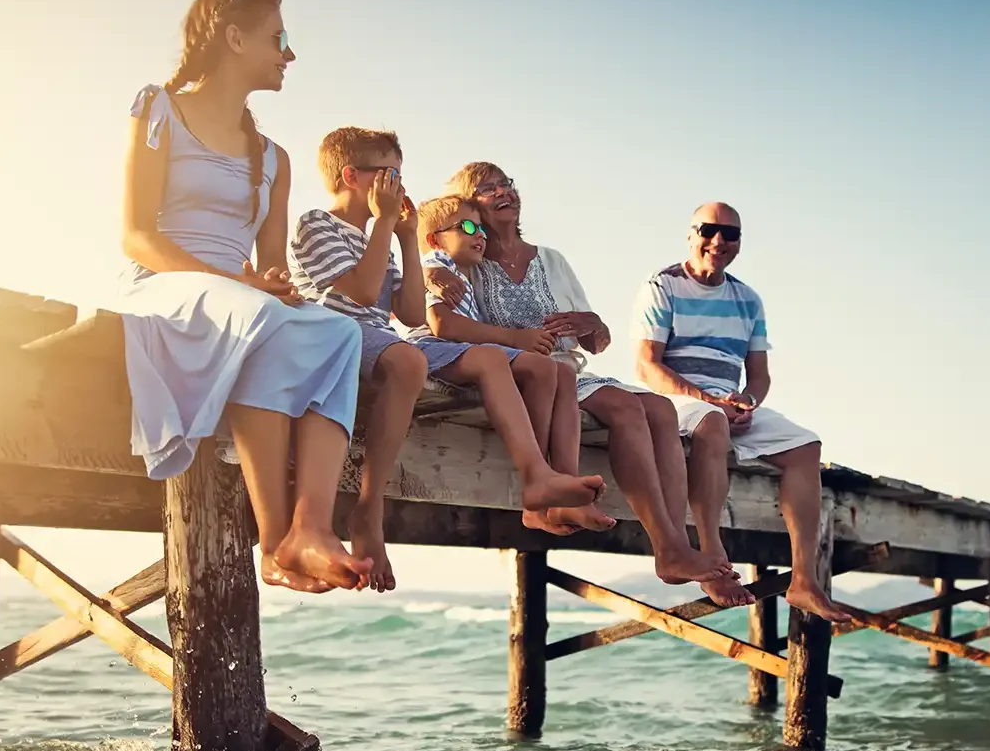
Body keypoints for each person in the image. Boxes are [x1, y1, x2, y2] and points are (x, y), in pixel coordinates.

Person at [118, 0, 370, 596]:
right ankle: (276, 536)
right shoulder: (159, 110)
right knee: (258, 313)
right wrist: (237, 282)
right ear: (234, 38)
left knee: (340, 334)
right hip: (164, 285)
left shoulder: (274, 158)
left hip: (242, 298)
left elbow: (271, 266)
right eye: (278, 39)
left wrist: (271, 283)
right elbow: (136, 236)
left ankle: (309, 528)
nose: (290, 53)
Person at [426, 163, 749, 607]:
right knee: (626, 409)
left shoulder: (551, 260)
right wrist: (433, 273)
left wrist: (590, 323)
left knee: (658, 408)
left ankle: (673, 544)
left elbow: (598, 341)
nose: (503, 192)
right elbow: (434, 270)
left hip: (571, 370)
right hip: (525, 372)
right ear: (468, 208)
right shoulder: (469, 259)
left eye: (507, 184)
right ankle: (668, 547)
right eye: (487, 189)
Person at [291, 140, 605, 585]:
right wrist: (390, 225)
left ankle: (539, 478)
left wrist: (404, 236)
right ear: (351, 176)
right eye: (389, 175)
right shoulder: (317, 222)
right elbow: (363, 295)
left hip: (379, 339)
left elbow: (409, 312)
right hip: (335, 333)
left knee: (541, 368)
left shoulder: (380, 240)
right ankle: (368, 510)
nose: (400, 186)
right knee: (432, 360)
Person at [632, 202, 851, 623]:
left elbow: (760, 376)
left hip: (727, 403)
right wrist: (710, 401)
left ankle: (804, 581)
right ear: (691, 235)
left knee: (806, 445)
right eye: (709, 230)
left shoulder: (748, 299)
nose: (719, 241)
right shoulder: (662, 285)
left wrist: (747, 401)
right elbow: (647, 367)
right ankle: (713, 559)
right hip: (673, 400)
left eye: (730, 234)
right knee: (711, 422)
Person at [411, 195, 615, 534]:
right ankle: (535, 489)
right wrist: (514, 338)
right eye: (467, 227)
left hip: (462, 352)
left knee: (562, 371)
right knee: (534, 366)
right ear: (435, 239)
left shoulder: (468, 272)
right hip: (433, 349)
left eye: (481, 229)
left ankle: (565, 489)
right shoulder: (438, 265)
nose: (480, 235)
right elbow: (442, 325)